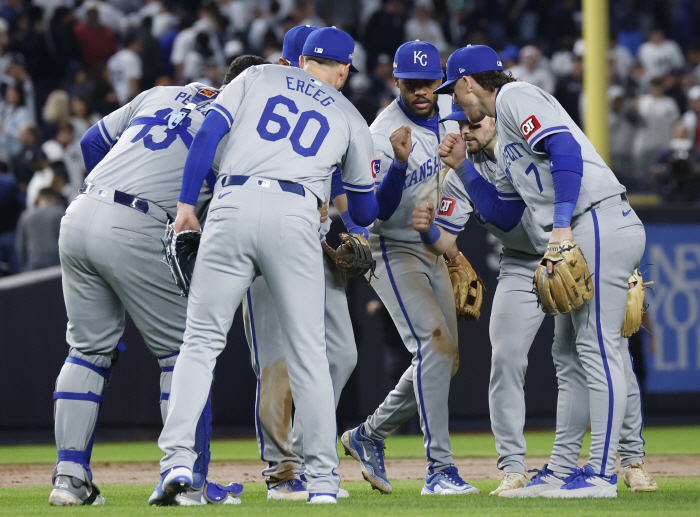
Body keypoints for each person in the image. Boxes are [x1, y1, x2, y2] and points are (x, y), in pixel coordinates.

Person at [155, 27, 378, 506]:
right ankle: (320, 483)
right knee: (309, 353)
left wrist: (186, 206)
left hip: (232, 202)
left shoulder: (257, 75)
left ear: (301, 60)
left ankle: (176, 461)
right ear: (342, 68)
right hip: (295, 214)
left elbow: (209, 133)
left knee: (200, 341)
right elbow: (363, 211)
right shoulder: (349, 113)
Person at [436, 44, 647, 498]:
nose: (456, 103)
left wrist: (562, 227)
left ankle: (603, 473)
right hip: (589, 224)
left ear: (468, 82)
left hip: (595, 218)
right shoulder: (503, 139)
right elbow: (505, 215)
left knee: (597, 347)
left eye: (454, 92)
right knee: (570, 355)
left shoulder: (514, 98)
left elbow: (565, 149)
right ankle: (560, 469)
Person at [50, 74, 242, 506]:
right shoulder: (234, 119)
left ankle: (69, 479)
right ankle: (188, 481)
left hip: (81, 211)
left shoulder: (162, 92)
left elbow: (89, 144)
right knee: (184, 353)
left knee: (86, 351)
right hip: (139, 223)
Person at [341, 41, 478, 497]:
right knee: (434, 350)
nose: (422, 91)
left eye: (428, 82)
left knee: (447, 360)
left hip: (430, 247)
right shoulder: (383, 133)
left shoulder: (447, 110)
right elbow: (375, 212)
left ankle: (369, 434)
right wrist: (399, 165)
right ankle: (439, 470)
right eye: (412, 83)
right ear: (396, 81)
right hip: (392, 248)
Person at [240, 26, 361, 502]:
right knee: (275, 363)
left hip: (312, 243)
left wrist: (344, 230)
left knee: (342, 352)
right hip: (261, 239)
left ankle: (309, 453)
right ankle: (281, 471)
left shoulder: (330, 108)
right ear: (293, 64)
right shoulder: (258, 94)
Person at [15, 187, 63, 271]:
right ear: (53, 199)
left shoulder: (26, 216)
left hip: (34, 258)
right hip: (55, 257)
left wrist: (24, 263)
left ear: (39, 199)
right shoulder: (58, 214)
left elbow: (20, 245)